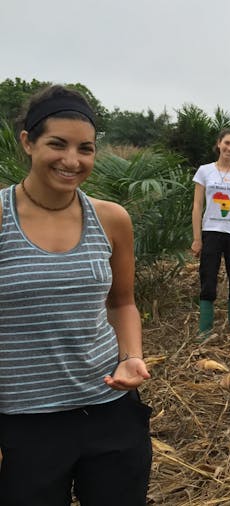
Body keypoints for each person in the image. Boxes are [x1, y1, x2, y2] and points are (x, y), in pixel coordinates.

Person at [0, 85, 152, 504]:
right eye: (57, 144)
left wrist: (131, 356)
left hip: (110, 409)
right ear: (28, 142)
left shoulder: (111, 219)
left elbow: (122, 302)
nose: (72, 160)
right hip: (24, 423)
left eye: (85, 148)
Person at [191, 128, 230, 336]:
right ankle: (205, 330)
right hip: (211, 232)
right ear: (219, 143)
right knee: (207, 278)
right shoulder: (204, 171)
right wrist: (197, 239)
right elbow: (197, 206)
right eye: (227, 143)